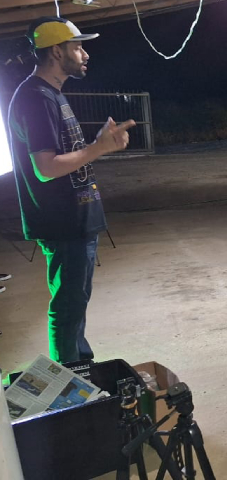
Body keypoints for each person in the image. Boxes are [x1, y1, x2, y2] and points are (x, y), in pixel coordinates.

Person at [8, 17, 135, 363]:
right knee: (67, 306)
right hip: (62, 222)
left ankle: (81, 367)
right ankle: (69, 376)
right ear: (56, 51)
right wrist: (99, 148)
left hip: (76, 220)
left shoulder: (51, 94)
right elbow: (46, 167)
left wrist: (99, 146)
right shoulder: (35, 97)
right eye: (78, 47)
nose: (85, 54)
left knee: (75, 302)